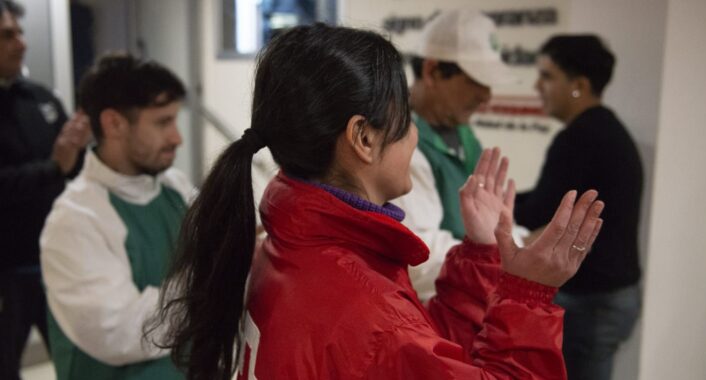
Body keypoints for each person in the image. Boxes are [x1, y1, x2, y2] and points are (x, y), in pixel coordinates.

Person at [150, 24, 605, 380]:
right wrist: (527, 296)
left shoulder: (290, 244)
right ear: (363, 138)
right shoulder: (359, 304)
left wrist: (481, 252)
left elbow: (419, 353)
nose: (414, 137)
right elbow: (389, 340)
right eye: (405, 119)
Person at [40, 53, 194, 380]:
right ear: (114, 124)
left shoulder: (176, 189)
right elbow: (122, 331)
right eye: (162, 122)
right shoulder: (74, 219)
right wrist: (213, 283)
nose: (177, 138)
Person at [514, 35, 643, 380]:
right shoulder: (606, 130)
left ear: (579, 85)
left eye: (547, 76)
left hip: (592, 301)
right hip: (611, 296)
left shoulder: (580, 138)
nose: (537, 86)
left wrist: (494, 207)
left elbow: (540, 211)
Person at [393, 9, 519, 299]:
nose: (486, 96)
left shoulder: (464, 135)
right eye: (477, 81)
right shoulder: (399, 142)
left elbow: (490, 219)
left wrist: (518, 243)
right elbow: (419, 256)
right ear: (433, 72)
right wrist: (507, 255)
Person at [0, 1, 90, 378]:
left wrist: (78, 150)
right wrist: (53, 166)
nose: (21, 42)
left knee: (77, 360)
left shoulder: (40, 98)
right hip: (7, 269)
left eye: (20, 32)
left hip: (55, 262)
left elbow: (74, 170)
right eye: (7, 35)